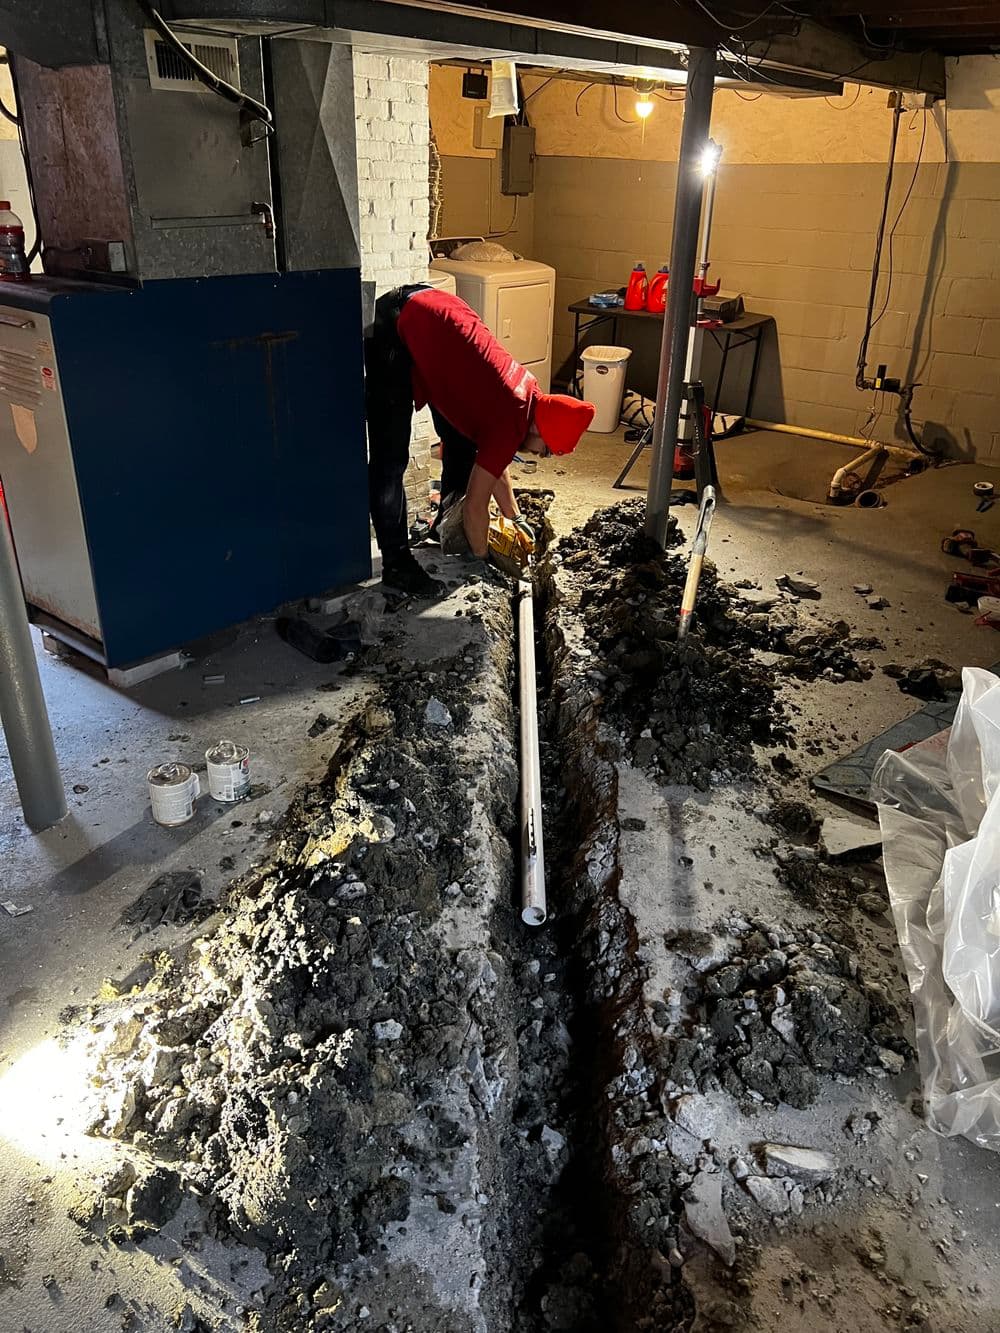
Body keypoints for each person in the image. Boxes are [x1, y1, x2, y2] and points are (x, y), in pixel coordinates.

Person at [365, 283, 596, 595]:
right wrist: (483, 559)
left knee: (461, 443)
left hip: (431, 312)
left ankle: (445, 527)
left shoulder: (527, 397)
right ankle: (396, 564)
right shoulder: (509, 422)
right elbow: (477, 504)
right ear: (540, 430)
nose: (542, 457)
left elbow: (495, 463)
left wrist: (514, 516)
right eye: (547, 452)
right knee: (390, 458)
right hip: (399, 323)